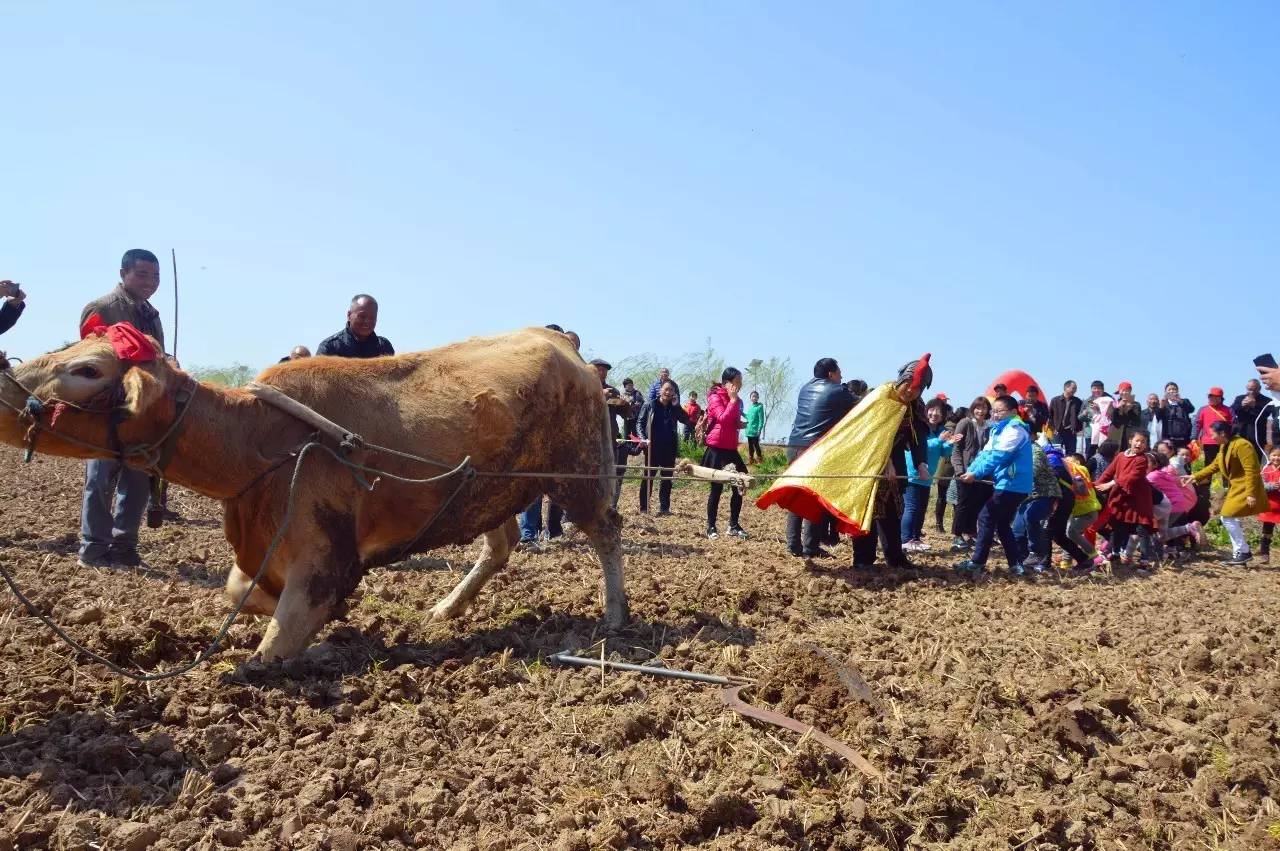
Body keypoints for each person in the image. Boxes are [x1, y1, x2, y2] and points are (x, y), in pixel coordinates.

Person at [77, 249, 166, 568]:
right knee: (100, 479)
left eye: (155, 276)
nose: (151, 282)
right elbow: (89, 359)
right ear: (123, 274)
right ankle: (94, 548)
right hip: (107, 408)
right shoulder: (102, 308)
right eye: (142, 275)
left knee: (138, 480)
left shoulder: (152, 313)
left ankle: (125, 547)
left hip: (142, 409)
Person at [782, 358, 855, 556]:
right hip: (813, 451)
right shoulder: (838, 390)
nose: (841, 377)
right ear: (831, 374)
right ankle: (810, 547)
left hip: (794, 446)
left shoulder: (805, 388)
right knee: (814, 497)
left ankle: (793, 545)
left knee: (797, 494)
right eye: (839, 373)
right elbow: (862, 405)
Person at [954, 395, 1032, 574]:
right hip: (1006, 483)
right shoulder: (998, 430)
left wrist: (976, 473)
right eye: (993, 411)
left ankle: (978, 562)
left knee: (986, 516)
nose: (994, 414)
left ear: (1012, 412)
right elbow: (985, 455)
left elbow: (999, 456)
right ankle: (1016, 564)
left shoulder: (1015, 429)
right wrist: (971, 470)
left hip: (1013, 483)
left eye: (999, 411)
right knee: (1002, 524)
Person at [1186, 420, 1267, 565]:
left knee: (1227, 517)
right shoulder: (1224, 445)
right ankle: (1240, 553)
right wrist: (1195, 476)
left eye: (1213, 435)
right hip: (1236, 487)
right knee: (1229, 518)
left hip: (1245, 487)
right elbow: (1215, 465)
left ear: (1222, 433)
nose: (1211, 438)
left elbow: (1252, 471)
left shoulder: (1242, 445)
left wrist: (1251, 493)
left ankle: (1243, 552)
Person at [1095, 431, 1155, 567]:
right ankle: (1115, 553)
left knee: (1142, 528)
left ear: (1146, 445)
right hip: (1123, 496)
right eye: (1137, 440)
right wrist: (1096, 485)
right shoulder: (1121, 456)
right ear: (1130, 441)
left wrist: (1110, 484)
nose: (1139, 444)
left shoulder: (1142, 459)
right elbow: (1108, 472)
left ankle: (1145, 560)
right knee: (1119, 525)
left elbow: (1131, 477)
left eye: (1143, 442)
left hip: (1139, 498)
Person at [703, 367, 749, 540]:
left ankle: (733, 525)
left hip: (731, 448)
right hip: (716, 449)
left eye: (740, 382)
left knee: (740, 482)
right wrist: (732, 400)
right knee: (717, 488)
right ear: (727, 383)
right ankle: (711, 526)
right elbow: (721, 418)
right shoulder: (715, 397)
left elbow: (730, 421)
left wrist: (739, 424)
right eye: (737, 382)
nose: (739, 385)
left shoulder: (735, 399)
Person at [902, 399, 953, 552]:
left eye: (939, 411)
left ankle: (916, 538)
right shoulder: (919, 426)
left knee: (921, 509)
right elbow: (922, 447)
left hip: (928, 475)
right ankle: (906, 539)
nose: (934, 414)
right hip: (914, 472)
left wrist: (950, 443)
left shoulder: (940, 430)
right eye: (932, 409)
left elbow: (944, 453)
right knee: (911, 507)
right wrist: (939, 440)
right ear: (926, 410)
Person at [637, 380, 691, 515]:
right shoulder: (650, 404)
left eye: (671, 390)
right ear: (660, 390)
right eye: (666, 389)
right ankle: (644, 508)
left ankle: (664, 508)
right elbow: (640, 422)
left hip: (669, 447)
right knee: (648, 477)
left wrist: (677, 406)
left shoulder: (674, 407)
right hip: (652, 447)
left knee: (667, 479)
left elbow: (685, 420)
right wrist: (643, 438)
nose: (668, 392)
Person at [1010, 441, 1060, 573]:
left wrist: (1011, 478)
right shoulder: (1016, 451)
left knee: (1030, 516)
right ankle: (1022, 562)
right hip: (1028, 497)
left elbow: (1033, 471)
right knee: (1017, 529)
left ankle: (1036, 552)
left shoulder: (1034, 450)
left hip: (1045, 494)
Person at [949, 396, 991, 552]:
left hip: (981, 472)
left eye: (984, 408)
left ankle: (970, 533)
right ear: (973, 408)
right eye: (977, 408)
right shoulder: (965, 423)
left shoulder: (988, 427)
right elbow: (956, 449)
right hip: (965, 470)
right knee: (963, 504)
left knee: (977, 504)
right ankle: (957, 536)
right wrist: (960, 470)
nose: (980, 411)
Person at [317, 294, 395, 358]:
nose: (367, 322)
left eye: (372, 317)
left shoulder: (384, 347)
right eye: (362, 316)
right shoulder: (330, 347)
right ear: (349, 315)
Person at [1064, 452, 1104, 568]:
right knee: (1070, 534)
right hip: (1080, 511)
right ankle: (1067, 560)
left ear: (1077, 462)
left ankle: (1093, 555)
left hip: (1087, 511)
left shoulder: (1081, 470)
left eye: (1068, 460)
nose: (1065, 462)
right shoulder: (1073, 473)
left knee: (1071, 532)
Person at [1192, 387, 1234, 466]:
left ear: (1220, 398)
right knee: (1209, 465)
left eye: (1213, 396)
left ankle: (1226, 479)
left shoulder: (1229, 410)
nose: (1210, 398)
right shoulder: (1203, 409)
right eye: (1210, 396)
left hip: (1224, 441)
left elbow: (1233, 425)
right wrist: (1194, 437)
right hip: (1209, 442)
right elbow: (1197, 424)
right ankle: (1207, 479)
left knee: (1226, 464)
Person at [1231, 379, 1269, 460]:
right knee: (1240, 459)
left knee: (1256, 460)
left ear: (1259, 388)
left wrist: (1254, 406)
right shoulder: (1239, 398)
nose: (1250, 391)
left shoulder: (1266, 400)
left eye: (1252, 389)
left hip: (1257, 437)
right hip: (1241, 434)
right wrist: (1242, 405)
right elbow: (1232, 410)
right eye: (1248, 389)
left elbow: (1266, 414)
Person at [1105, 384, 1143, 451]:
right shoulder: (1114, 403)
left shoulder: (1136, 404)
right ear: (1119, 392)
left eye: (1126, 391)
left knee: (1128, 451)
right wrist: (1117, 408)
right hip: (1116, 432)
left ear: (1130, 391)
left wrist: (1130, 408)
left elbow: (1137, 419)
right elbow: (1110, 418)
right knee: (1114, 452)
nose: (1124, 393)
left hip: (1129, 433)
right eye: (1122, 390)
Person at [1157, 382, 1195, 450]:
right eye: (1169, 389)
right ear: (1165, 392)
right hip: (1168, 438)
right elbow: (1158, 417)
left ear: (1177, 391)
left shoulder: (1184, 401)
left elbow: (1191, 409)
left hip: (1184, 438)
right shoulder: (1163, 403)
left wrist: (1179, 400)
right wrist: (1161, 407)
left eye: (1174, 389)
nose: (1171, 391)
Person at [1049, 381, 1082, 454]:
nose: (1075, 390)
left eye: (1075, 388)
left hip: (1071, 433)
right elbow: (1050, 417)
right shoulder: (1055, 400)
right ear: (1066, 388)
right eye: (1073, 388)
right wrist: (1053, 428)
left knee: (1071, 455)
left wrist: (1077, 428)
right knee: (1055, 453)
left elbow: (1080, 417)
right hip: (1057, 432)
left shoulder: (1078, 402)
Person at [1258, 447, 1280, 561]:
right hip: (1270, 505)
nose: (1276, 458)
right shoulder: (1266, 469)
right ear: (1269, 456)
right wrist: (1271, 486)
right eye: (1274, 455)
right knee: (1267, 530)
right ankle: (1264, 553)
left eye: (1279, 456)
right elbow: (1260, 486)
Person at [1082, 381, 1114, 457]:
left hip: (1105, 432)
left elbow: (1113, 414)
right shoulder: (1087, 401)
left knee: (1105, 454)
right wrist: (1084, 414)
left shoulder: (1110, 400)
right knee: (1090, 455)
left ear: (1103, 389)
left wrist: (1099, 408)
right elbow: (1079, 417)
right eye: (1094, 388)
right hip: (1090, 433)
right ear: (1091, 389)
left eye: (1099, 388)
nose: (1096, 390)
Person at [745, 391, 766, 464]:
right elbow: (747, 416)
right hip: (749, 430)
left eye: (756, 396)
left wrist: (759, 429)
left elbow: (761, 419)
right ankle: (751, 459)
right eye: (753, 396)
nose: (754, 398)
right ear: (750, 398)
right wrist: (740, 412)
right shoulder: (750, 407)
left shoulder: (759, 407)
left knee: (756, 445)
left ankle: (760, 459)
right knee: (750, 446)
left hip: (755, 430)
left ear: (758, 398)